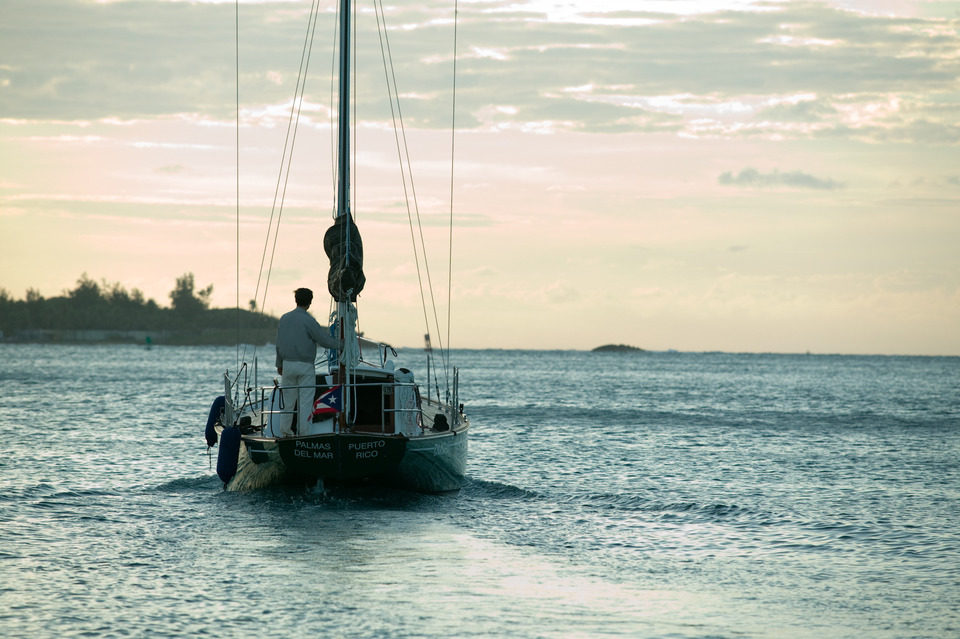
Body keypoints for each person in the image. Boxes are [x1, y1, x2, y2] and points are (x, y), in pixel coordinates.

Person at [274, 288, 339, 436]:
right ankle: (304, 433)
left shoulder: (284, 319)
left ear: (295, 300)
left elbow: (279, 343)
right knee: (305, 403)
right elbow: (323, 340)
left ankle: (285, 432)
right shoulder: (309, 321)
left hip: (287, 365)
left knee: (288, 402)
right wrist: (341, 344)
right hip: (305, 366)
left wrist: (279, 364)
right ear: (310, 302)